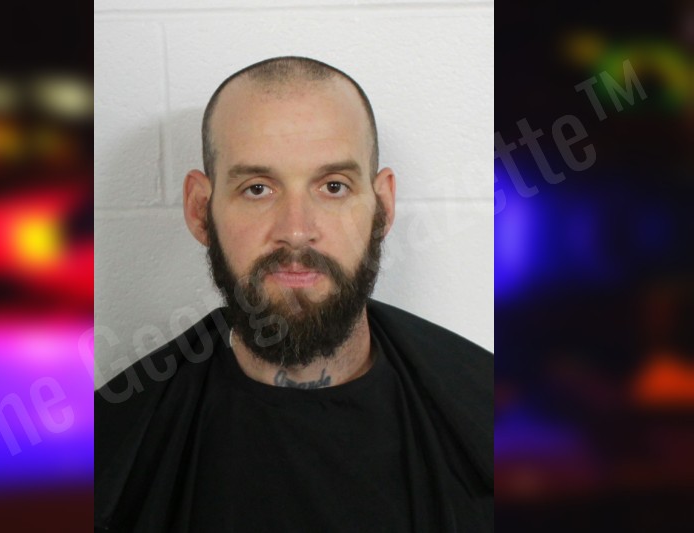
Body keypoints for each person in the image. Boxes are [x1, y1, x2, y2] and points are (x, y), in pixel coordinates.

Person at [95, 56, 492, 532]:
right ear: (201, 210)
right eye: (257, 189)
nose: (297, 231)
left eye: (333, 187)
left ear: (383, 207)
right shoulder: (105, 453)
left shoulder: (497, 417)